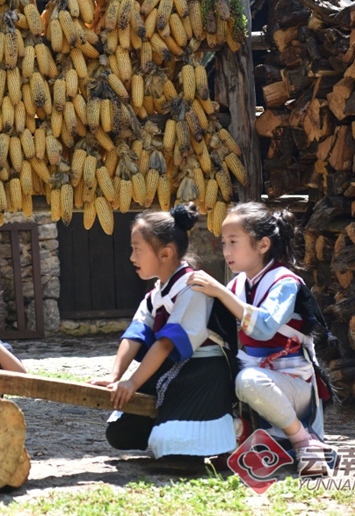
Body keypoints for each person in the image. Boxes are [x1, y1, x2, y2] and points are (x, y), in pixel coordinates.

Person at [187, 202, 336, 477]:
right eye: (223, 243)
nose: (226, 251)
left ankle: (304, 441)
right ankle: (242, 435)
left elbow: (264, 328)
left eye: (234, 242)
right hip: (254, 379)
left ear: (262, 244)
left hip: (290, 384)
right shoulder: (238, 285)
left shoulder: (284, 282)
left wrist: (221, 293)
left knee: (248, 381)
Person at [87, 204, 236, 459]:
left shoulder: (193, 288)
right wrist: (115, 376)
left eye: (137, 249)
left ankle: (235, 428)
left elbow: (167, 343)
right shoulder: (157, 293)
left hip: (205, 372)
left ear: (165, 254)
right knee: (120, 432)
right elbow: (135, 334)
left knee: (171, 447)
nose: (132, 257)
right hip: (172, 370)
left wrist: (133, 382)